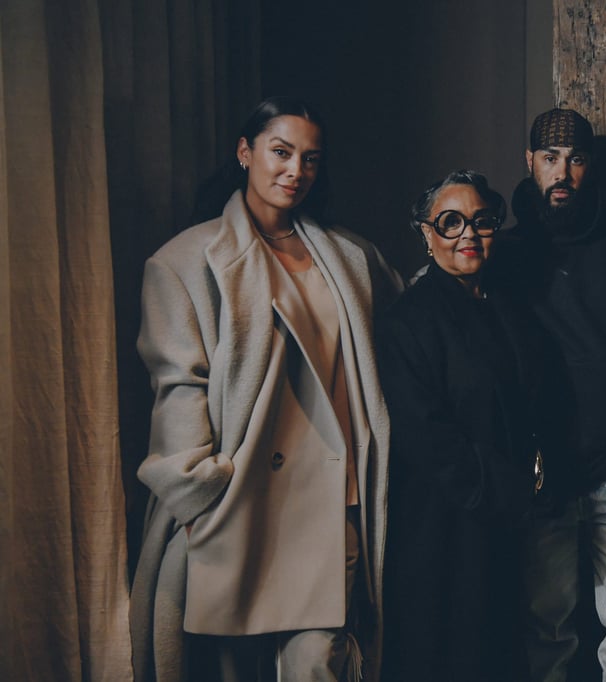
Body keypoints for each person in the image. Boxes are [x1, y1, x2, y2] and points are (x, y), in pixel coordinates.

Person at [128, 96, 402, 682]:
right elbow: (179, 386)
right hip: (239, 500)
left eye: (310, 158)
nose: (295, 171)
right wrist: (199, 494)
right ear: (244, 152)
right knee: (232, 671)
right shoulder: (184, 260)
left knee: (318, 663)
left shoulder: (352, 259)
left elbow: (401, 346)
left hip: (332, 501)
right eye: (281, 152)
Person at [490, 108, 606, 682]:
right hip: (543, 467)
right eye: (550, 159)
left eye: (574, 159)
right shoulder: (505, 252)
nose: (562, 172)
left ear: (590, 165)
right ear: (529, 163)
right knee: (547, 625)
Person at [376, 170, 560, 681]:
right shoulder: (406, 322)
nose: (468, 235)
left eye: (481, 221)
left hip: (504, 520)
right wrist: (514, 489)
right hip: (443, 528)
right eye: (451, 222)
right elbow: (425, 435)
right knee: (450, 656)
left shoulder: (507, 305)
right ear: (425, 232)